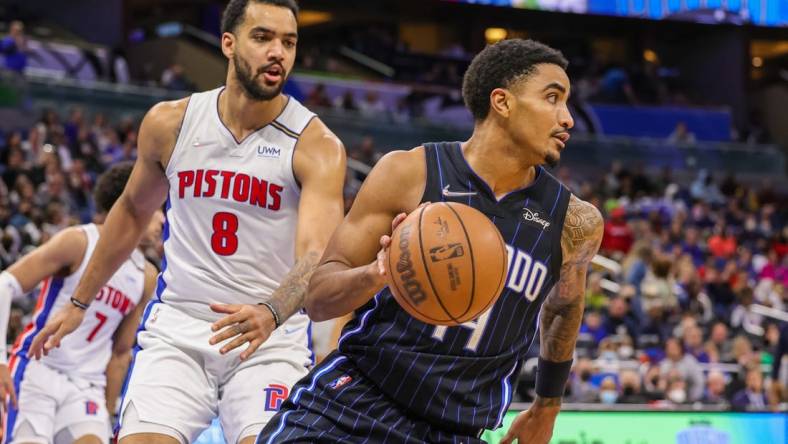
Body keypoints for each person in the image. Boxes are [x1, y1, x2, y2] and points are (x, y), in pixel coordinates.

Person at [28, 1, 346, 443]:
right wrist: (79, 302)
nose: (278, 52)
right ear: (228, 44)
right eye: (263, 37)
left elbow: (318, 253)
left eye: (288, 42)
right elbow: (134, 211)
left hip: (268, 339)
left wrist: (271, 313)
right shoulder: (170, 123)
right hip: (180, 329)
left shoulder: (317, 145)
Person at [259, 39, 603, 444]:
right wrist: (376, 273)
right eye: (552, 98)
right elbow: (318, 300)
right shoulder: (408, 173)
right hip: (356, 401)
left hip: (455, 430)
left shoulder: (575, 222)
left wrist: (547, 404)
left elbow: (564, 306)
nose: (568, 119)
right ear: (502, 102)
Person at [0, 163, 158, 444]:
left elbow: (121, 354)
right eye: (158, 208)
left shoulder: (146, 276)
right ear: (135, 203)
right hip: (38, 370)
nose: (162, 220)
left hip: (87, 386)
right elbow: (4, 284)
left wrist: (108, 414)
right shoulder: (78, 241)